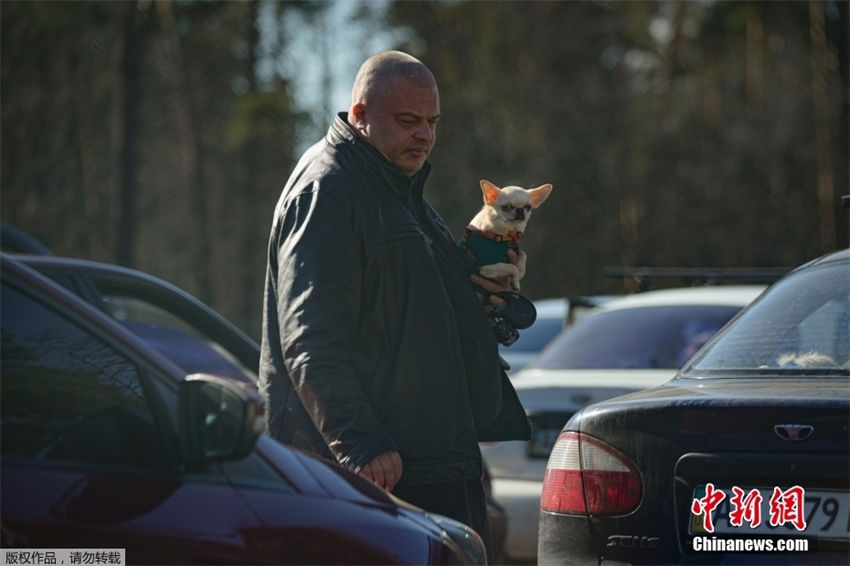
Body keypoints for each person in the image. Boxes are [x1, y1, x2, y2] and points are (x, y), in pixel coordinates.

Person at [259, 50, 529, 560]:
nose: (425, 135)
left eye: (432, 122)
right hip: (383, 473)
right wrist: (359, 442)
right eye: (408, 121)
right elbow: (310, 337)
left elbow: (409, 313)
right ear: (360, 115)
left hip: (433, 463)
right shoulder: (329, 189)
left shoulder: (398, 187)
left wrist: (483, 298)